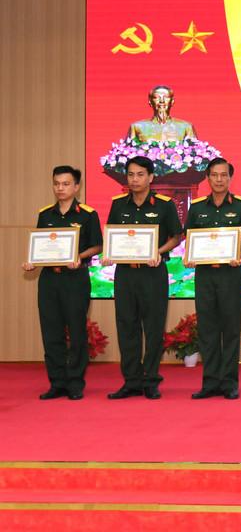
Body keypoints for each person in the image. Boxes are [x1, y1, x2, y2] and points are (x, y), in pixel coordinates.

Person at [104, 156, 183, 399]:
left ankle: (150, 380)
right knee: (126, 326)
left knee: (153, 327)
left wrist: (158, 252)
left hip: (153, 273)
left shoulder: (164, 205)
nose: (134, 179)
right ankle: (131, 381)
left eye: (140, 174)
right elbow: (112, 234)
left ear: (151, 177)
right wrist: (109, 253)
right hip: (125, 274)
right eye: (130, 174)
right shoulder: (118, 205)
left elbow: (176, 236)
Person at [23, 166, 102, 400]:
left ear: (76, 187)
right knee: (51, 332)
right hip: (49, 280)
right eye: (56, 183)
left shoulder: (87, 214)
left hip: (75, 279)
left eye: (66, 184)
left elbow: (98, 245)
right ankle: (56, 382)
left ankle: (75, 382)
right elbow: (40, 247)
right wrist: (32, 262)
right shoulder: (45, 214)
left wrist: (80, 257)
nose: (60, 188)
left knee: (77, 332)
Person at [184, 158, 241, 400]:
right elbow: (189, 238)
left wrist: (240, 251)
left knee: (230, 329)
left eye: (224, 175)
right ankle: (209, 383)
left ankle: (229, 383)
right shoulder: (197, 207)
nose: (219, 179)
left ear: (230, 178)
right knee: (207, 329)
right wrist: (190, 255)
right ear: (207, 178)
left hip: (231, 275)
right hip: (205, 275)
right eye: (214, 175)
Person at [128, 85, 196, 144]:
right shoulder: (137, 127)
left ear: (172, 102)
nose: (162, 101)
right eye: (156, 97)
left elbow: (195, 150)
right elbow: (128, 151)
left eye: (166, 97)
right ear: (150, 102)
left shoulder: (186, 127)